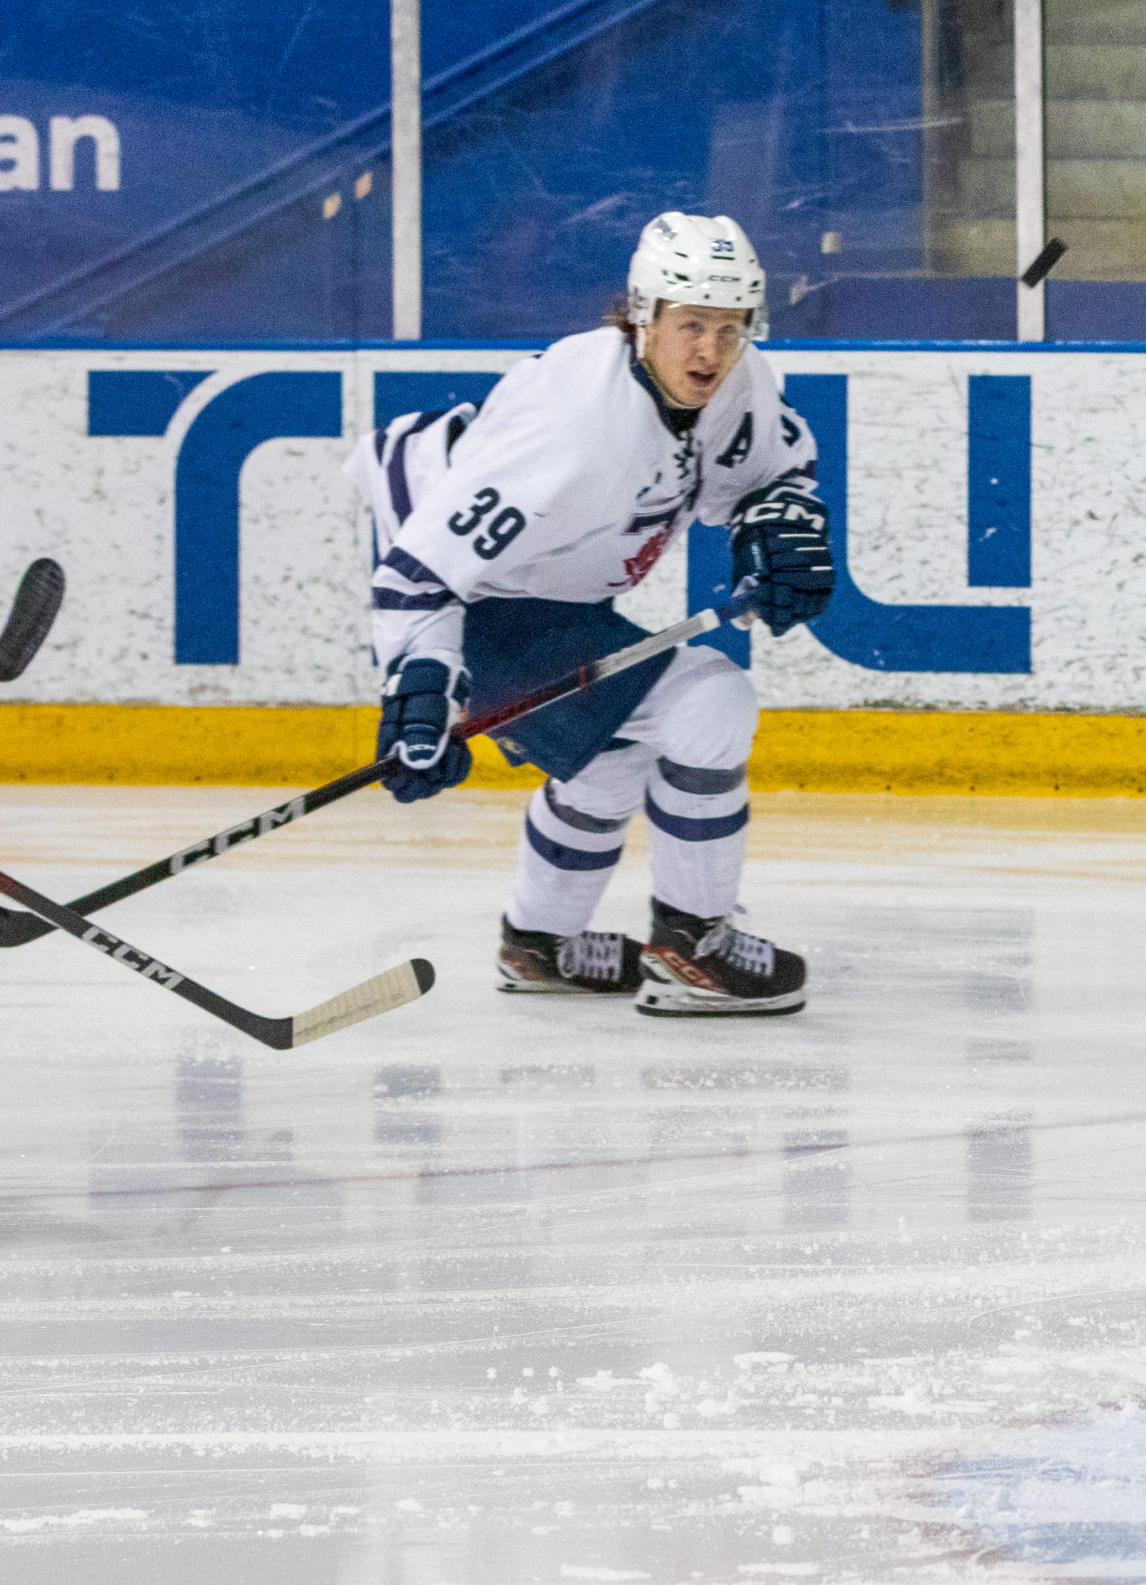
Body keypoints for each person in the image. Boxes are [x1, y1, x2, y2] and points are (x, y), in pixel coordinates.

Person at [348, 212, 836, 1016]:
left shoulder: (736, 384)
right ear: (644, 317)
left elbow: (771, 471)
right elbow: (420, 574)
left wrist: (777, 525)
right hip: (474, 598)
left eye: (729, 326)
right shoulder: (573, 426)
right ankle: (693, 947)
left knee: (611, 753)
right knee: (710, 700)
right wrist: (421, 690)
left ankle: (539, 946)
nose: (709, 350)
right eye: (689, 326)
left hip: (553, 601)